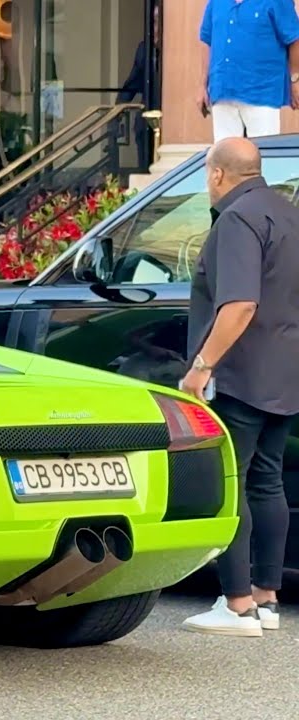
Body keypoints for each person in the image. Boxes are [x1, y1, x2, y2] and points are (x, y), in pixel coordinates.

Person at [180, 136, 299, 637]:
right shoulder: (287, 212)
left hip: (243, 375)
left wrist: (202, 366)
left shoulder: (235, 219)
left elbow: (239, 305)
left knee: (233, 482)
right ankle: (268, 599)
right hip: (287, 372)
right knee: (267, 481)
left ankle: (237, 604)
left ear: (217, 175)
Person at [198, 0, 299, 142]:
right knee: (225, 155)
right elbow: (207, 40)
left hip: (262, 92)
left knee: (264, 154)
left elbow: (294, 39)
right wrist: (202, 85)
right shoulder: (215, 2)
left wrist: (295, 80)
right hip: (222, 90)